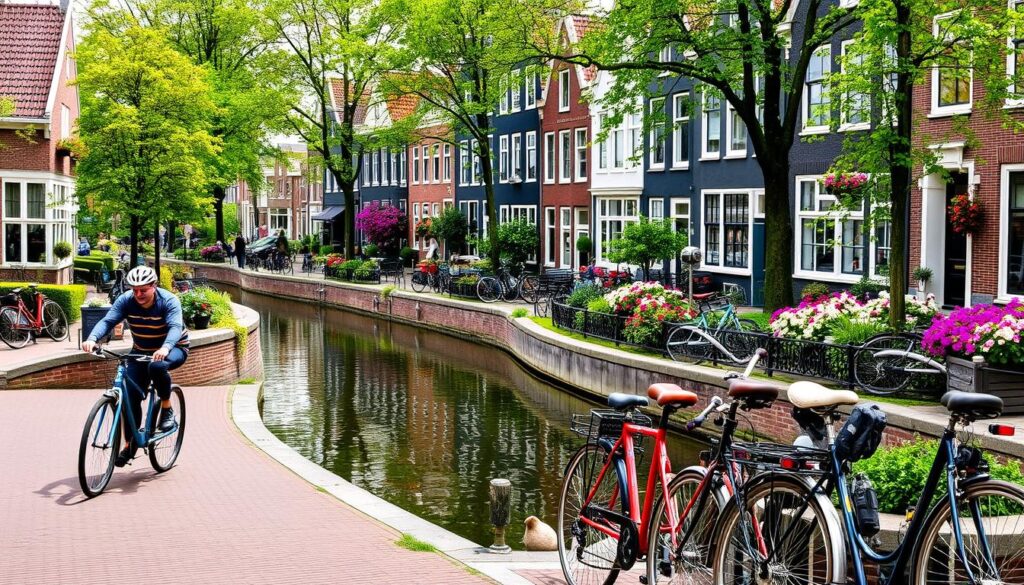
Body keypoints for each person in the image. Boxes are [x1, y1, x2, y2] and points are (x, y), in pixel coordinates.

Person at [81, 266, 189, 467]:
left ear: (154, 286)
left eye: (143, 290)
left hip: (173, 348)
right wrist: (92, 338)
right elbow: (108, 320)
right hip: (141, 349)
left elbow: (174, 327)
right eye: (134, 289)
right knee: (129, 396)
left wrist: (165, 348)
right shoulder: (126, 300)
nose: (138, 294)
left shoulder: (168, 301)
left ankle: (166, 409)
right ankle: (129, 445)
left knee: (156, 368)